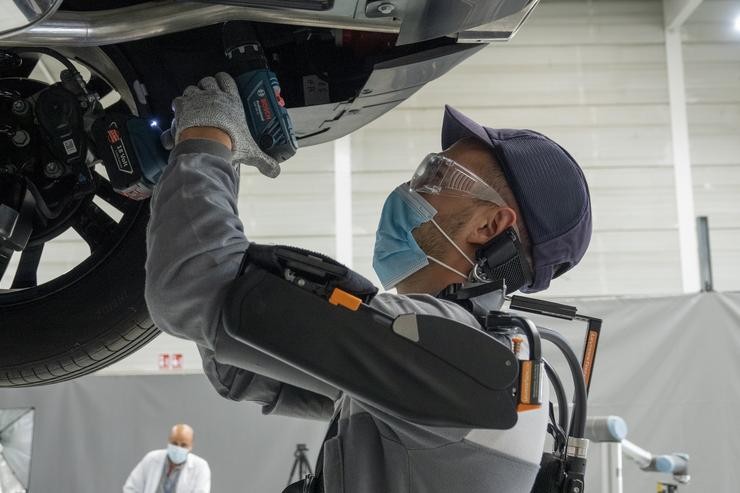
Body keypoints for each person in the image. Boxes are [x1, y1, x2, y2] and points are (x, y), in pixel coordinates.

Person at [145, 73, 591, 493]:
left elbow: (192, 287)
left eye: (437, 177)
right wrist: (201, 170)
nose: (411, 188)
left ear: (490, 224)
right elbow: (239, 366)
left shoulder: (455, 354)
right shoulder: (477, 360)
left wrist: (207, 136)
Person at [123, 424, 210, 493]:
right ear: (168, 441)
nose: (178, 448)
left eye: (183, 445)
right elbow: (131, 488)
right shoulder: (151, 459)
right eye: (174, 443)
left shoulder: (201, 467)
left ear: (191, 446)